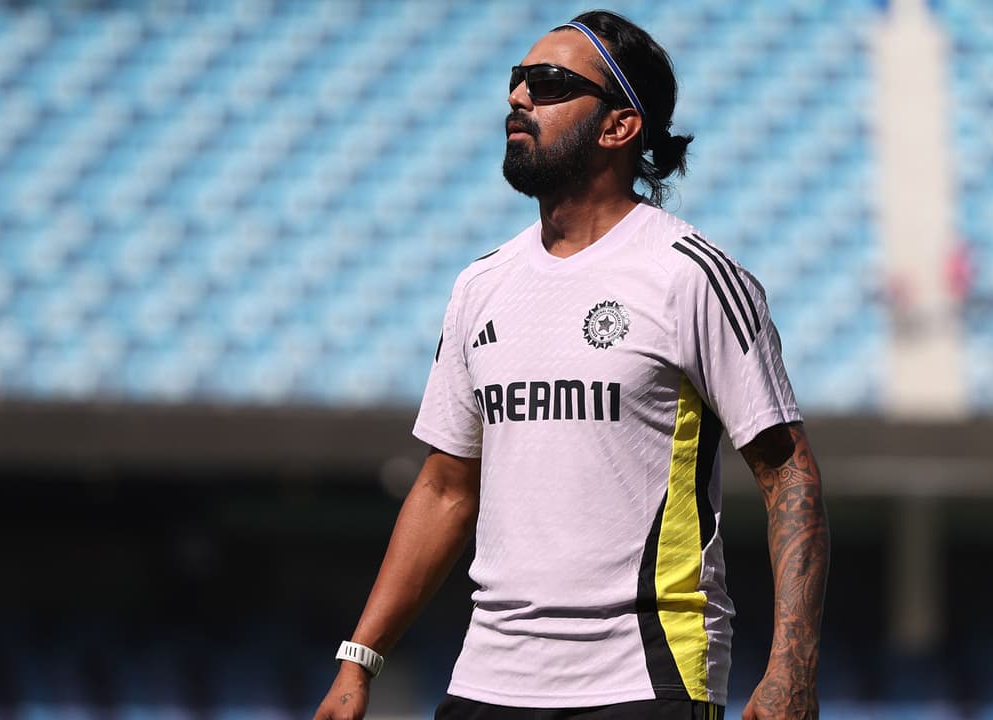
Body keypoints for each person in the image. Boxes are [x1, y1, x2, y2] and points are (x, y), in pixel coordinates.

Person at [314, 10, 829, 720]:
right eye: (517, 79)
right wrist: (360, 658)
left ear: (620, 126)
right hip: (487, 682)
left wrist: (791, 672)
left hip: (644, 680)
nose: (518, 97)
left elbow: (788, 475)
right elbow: (444, 489)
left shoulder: (690, 276)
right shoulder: (480, 286)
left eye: (549, 82)